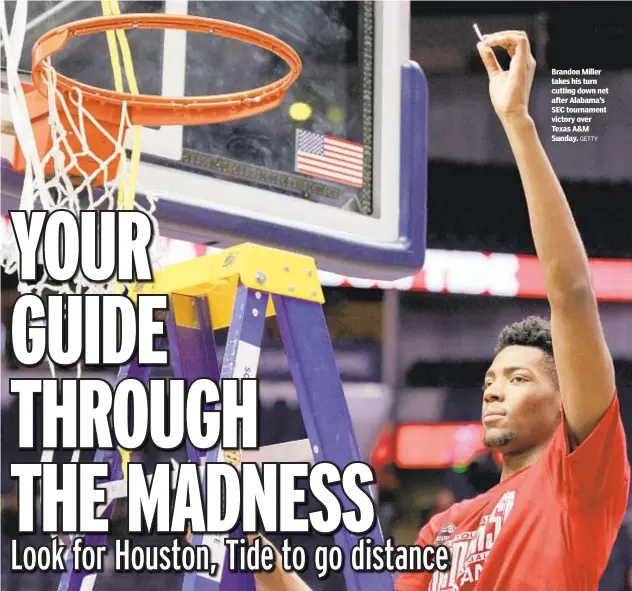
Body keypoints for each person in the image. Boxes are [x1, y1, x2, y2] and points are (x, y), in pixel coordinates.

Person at [251, 30, 630, 591]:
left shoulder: (575, 482)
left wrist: (518, 123)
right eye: (490, 379)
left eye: (518, 378)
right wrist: (251, 543)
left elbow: (571, 292)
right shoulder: (442, 531)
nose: (493, 390)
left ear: (563, 404)